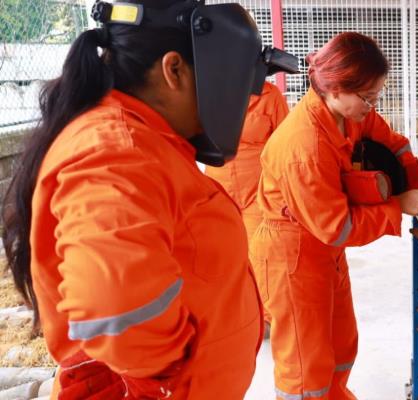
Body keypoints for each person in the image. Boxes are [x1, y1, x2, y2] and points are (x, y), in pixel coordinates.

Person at [1, 1, 280, 397]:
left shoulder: (145, 141)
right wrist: (170, 378)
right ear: (174, 70)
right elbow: (114, 308)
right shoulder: (116, 153)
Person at [250, 32, 418, 399]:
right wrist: (397, 206)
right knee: (306, 366)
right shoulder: (304, 146)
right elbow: (336, 226)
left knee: (341, 345)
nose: (372, 106)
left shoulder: (349, 115)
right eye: (367, 97)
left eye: (376, 96)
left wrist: (413, 175)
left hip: (323, 254)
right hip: (291, 256)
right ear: (336, 88)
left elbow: (388, 139)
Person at [205, 82, 289, 246]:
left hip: (257, 193)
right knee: (223, 252)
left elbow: (285, 148)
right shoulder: (206, 93)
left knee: (257, 250)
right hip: (219, 191)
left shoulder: (271, 96)